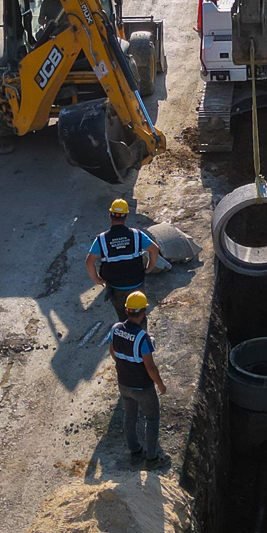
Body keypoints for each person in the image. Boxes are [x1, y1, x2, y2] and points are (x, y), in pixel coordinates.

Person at [110, 290, 167, 466]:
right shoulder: (143, 339)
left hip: (124, 384)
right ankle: (152, 458)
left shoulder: (116, 329)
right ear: (143, 313)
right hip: (143, 387)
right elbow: (150, 367)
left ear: (126, 311)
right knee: (152, 418)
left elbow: (113, 352)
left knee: (130, 416)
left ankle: (135, 453)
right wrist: (160, 384)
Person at [85, 198, 161, 317]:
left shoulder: (102, 239)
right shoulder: (137, 235)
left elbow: (89, 262)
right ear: (126, 216)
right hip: (137, 284)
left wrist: (97, 279)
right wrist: (149, 268)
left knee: (122, 315)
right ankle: (140, 333)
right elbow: (154, 250)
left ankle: (124, 332)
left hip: (116, 287)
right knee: (138, 315)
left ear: (110, 216)